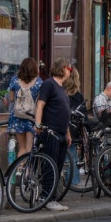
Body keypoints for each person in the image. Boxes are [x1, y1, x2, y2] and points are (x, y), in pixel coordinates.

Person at [33, 57, 72, 212]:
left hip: (62, 132)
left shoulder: (62, 88)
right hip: (51, 131)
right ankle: (46, 197)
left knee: (58, 166)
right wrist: (38, 124)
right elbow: (40, 105)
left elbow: (65, 112)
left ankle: (53, 197)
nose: (70, 72)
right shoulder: (49, 84)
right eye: (68, 69)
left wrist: (68, 132)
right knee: (50, 166)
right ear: (62, 68)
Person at [8, 57, 41, 158]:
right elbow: (40, 102)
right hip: (31, 118)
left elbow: (11, 99)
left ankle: (18, 170)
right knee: (29, 148)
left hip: (17, 117)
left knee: (21, 148)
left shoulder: (14, 80)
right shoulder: (39, 82)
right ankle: (26, 173)